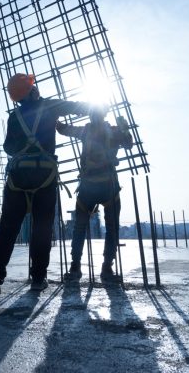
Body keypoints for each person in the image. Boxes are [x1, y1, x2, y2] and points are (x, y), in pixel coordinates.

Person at [0, 74, 88, 295]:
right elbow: (79, 107)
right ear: (32, 89)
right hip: (44, 178)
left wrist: (25, 146)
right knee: (42, 230)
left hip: (18, 180)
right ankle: (38, 278)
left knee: (7, 231)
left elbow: (8, 148)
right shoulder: (50, 106)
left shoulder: (14, 116)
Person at [57, 105, 133, 282]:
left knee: (79, 228)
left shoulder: (85, 131)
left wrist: (52, 116)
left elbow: (63, 130)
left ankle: (75, 267)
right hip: (108, 186)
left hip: (89, 187)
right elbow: (129, 144)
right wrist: (124, 127)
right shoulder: (113, 131)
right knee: (111, 228)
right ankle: (107, 268)